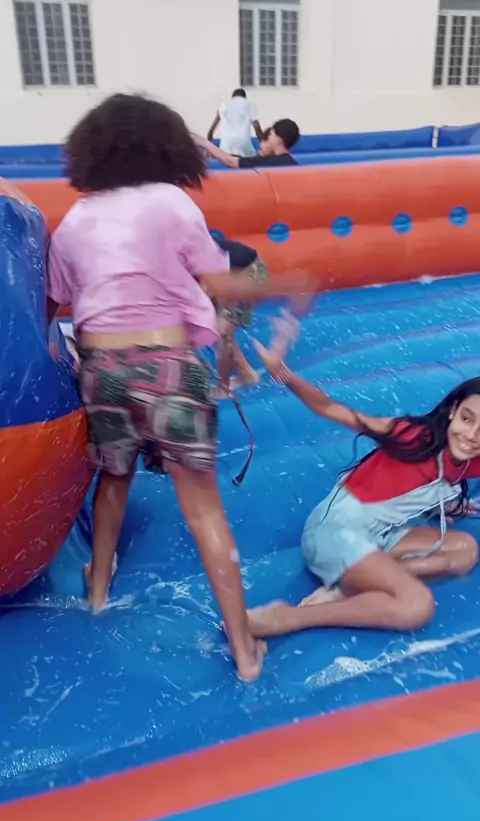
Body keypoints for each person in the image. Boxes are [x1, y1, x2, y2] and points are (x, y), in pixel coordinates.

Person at [45, 93, 317, 680]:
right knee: (204, 510)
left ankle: (98, 590)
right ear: (163, 147)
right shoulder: (170, 202)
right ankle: (244, 650)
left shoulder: (75, 220)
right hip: (168, 364)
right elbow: (218, 284)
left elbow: (51, 306)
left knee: (113, 479)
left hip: (101, 369)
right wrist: (288, 283)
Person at [247, 342, 480, 639]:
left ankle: (357, 584)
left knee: (465, 551)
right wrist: (282, 374)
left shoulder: (470, 458)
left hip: (380, 535)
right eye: (467, 419)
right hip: (335, 533)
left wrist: (445, 504)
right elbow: (329, 408)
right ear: (453, 411)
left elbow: (429, 481)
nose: (471, 436)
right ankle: (290, 617)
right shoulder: (412, 436)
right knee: (416, 606)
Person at [211, 235, 267, 392]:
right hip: (231, 274)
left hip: (250, 272)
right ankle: (246, 373)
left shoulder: (189, 248)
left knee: (221, 332)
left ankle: (225, 387)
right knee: (216, 327)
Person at [195, 119, 300, 169]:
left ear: (278, 139)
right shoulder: (294, 165)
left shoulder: (271, 162)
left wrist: (204, 143)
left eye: (270, 135)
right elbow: (242, 159)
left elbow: (232, 161)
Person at [207, 88, 262, 157]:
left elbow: (211, 130)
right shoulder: (250, 105)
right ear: (245, 97)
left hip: (226, 144)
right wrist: (263, 144)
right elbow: (257, 127)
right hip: (243, 143)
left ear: (232, 97)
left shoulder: (224, 105)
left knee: (226, 156)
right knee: (253, 157)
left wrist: (208, 148)